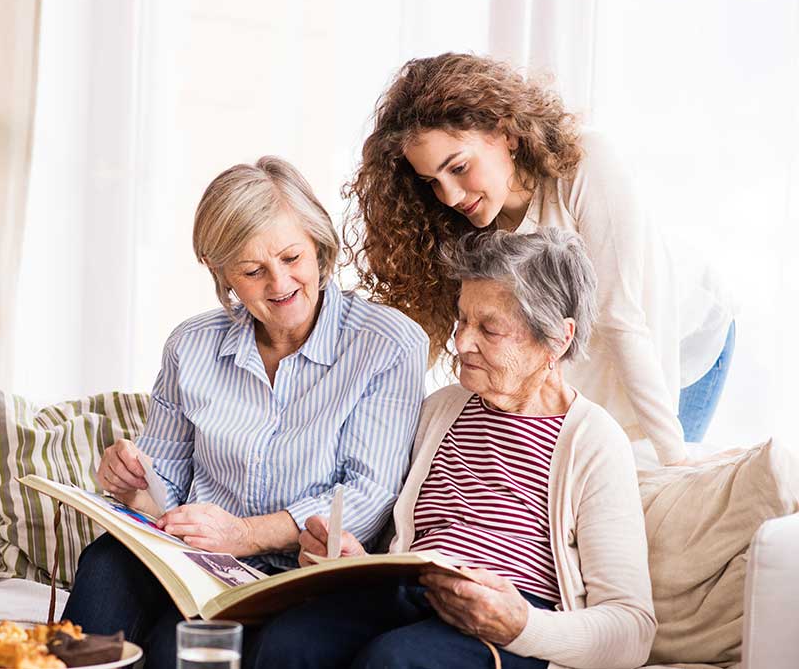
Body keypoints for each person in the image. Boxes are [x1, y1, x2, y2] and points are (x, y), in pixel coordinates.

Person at [63, 156, 429, 667]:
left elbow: (366, 495)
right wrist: (132, 485)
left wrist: (246, 535)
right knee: (106, 563)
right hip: (198, 563)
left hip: (301, 571)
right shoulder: (191, 345)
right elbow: (163, 479)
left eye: (291, 257)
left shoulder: (386, 343)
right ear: (224, 275)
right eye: (253, 271)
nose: (279, 284)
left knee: (175, 648)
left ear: (320, 246)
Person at [245, 228, 656, 669]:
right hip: (412, 592)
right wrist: (355, 559)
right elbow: (399, 544)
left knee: (397, 661)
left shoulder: (594, 441)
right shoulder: (441, 409)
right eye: (462, 320)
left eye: (490, 329)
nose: (461, 342)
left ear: (557, 338)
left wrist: (522, 626)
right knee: (287, 643)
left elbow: (632, 628)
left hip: (510, 619)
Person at [344, 52, 735, 464]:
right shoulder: (459, 223)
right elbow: (422, 344)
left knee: (654, 488)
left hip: (678, 340)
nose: (451, 196)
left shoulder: (585, 166)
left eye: (458, 167)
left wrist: (676, 461)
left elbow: (620, 318)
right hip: (594, 352)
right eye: (432, 182)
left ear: (507, 132)